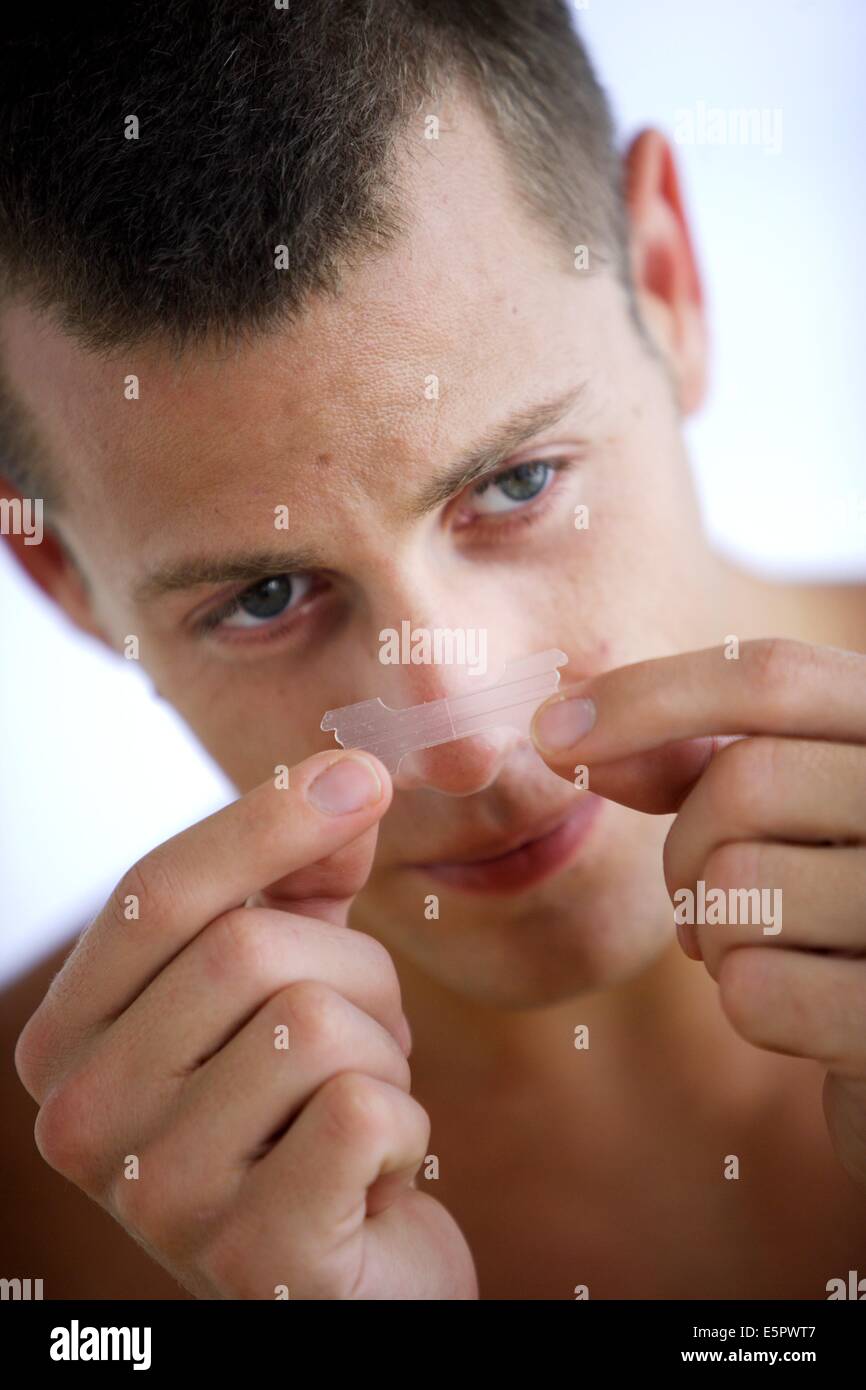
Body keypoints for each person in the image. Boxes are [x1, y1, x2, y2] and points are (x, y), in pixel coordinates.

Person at [1, 1, 864, 1301]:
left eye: (516, 483)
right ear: (65, 583)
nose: (460, 739)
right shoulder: (59, 1205)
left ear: (667, 281)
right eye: (268, 593)